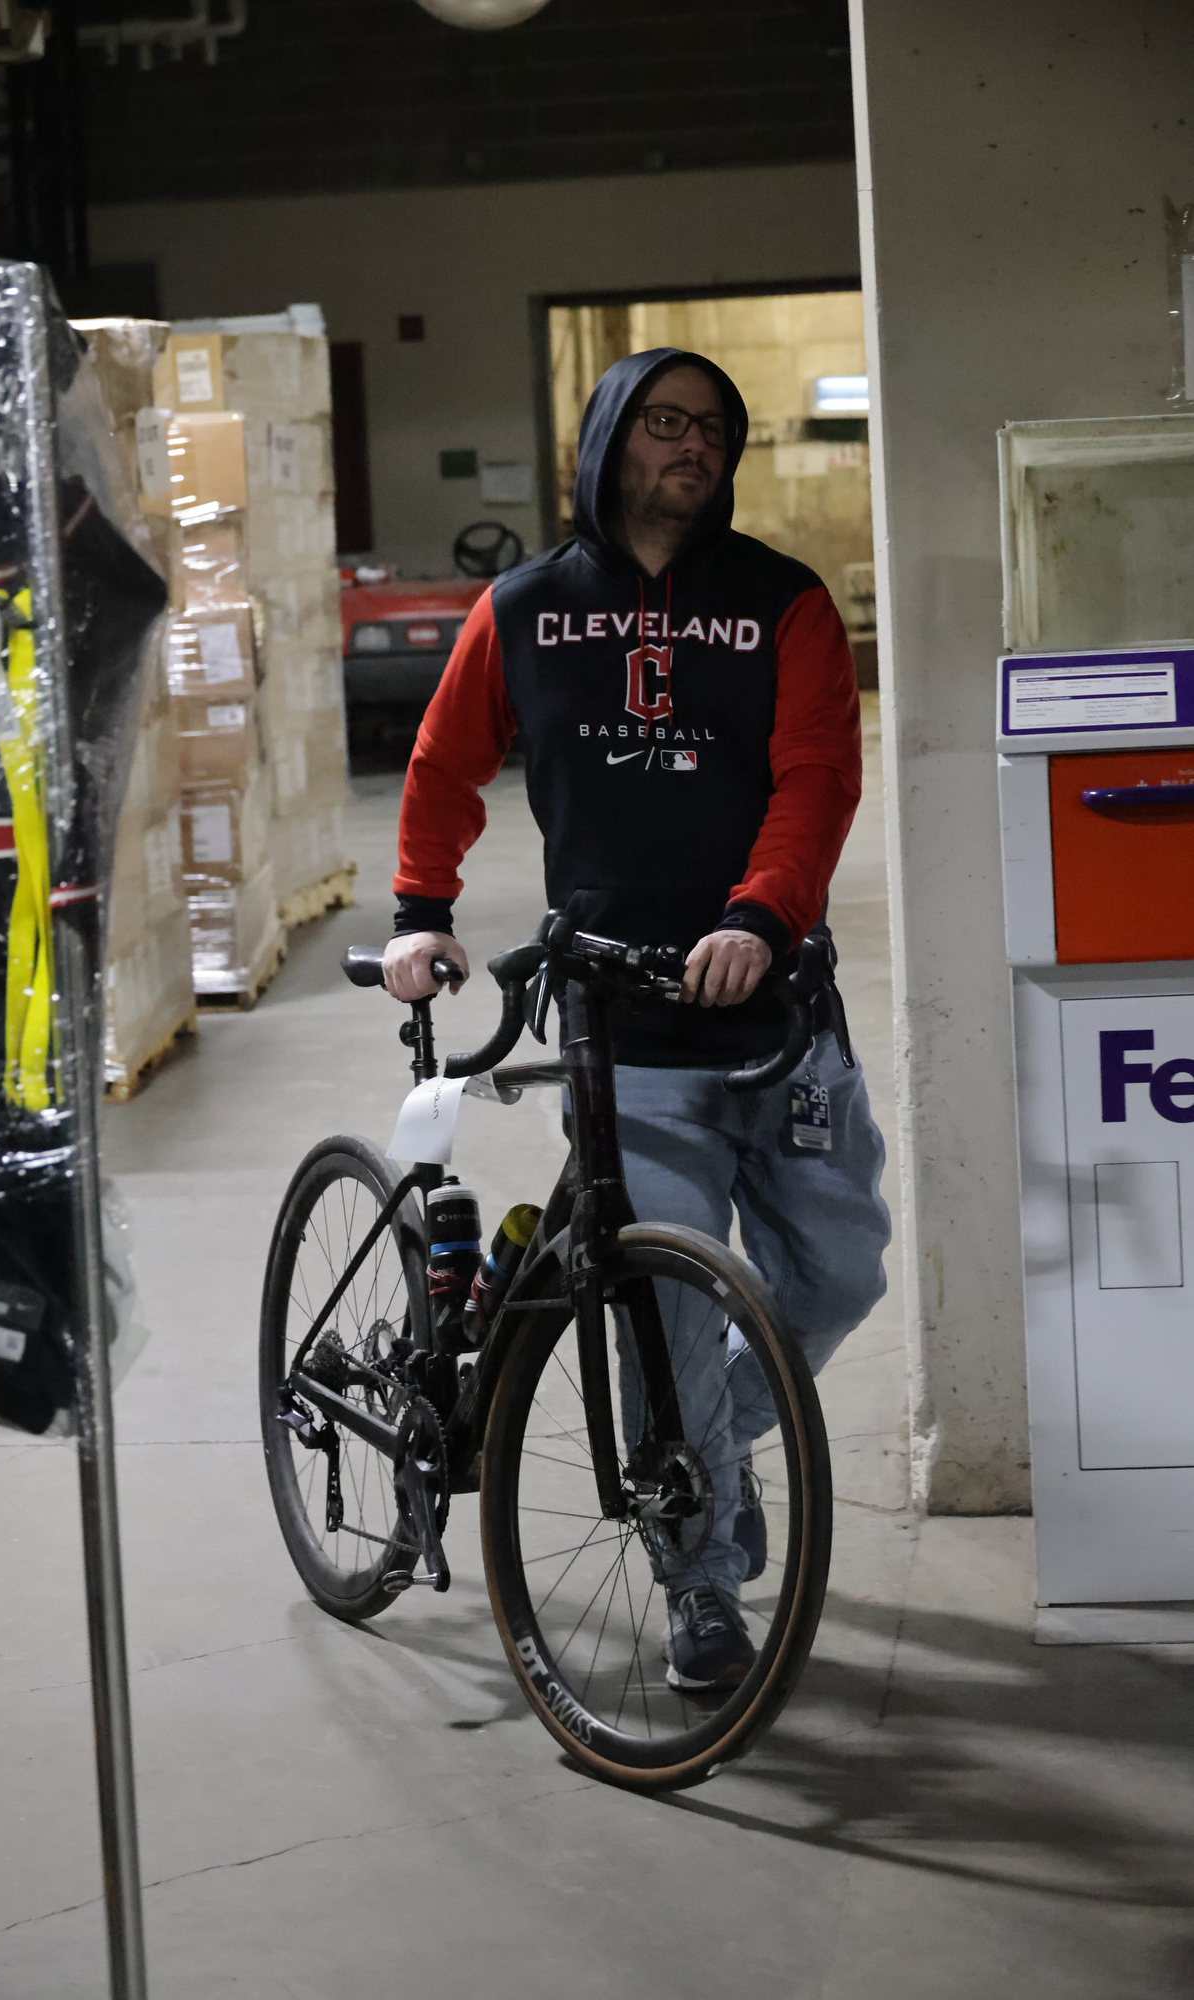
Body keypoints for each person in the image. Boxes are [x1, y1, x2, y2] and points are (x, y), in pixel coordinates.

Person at [382, 348, 890, 1690]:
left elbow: (816, 777)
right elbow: (444, 761)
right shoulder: (528, 606)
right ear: (608, 438)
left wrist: (758, 917)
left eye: (713, 430)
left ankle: (709, 1453)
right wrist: (418, 913)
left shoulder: (782, 603)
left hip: (774, 1003)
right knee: (658, 1316)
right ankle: (698, 1573)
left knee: (839, 1273)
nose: (691, 448)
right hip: (623, 1019)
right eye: (664, 425)